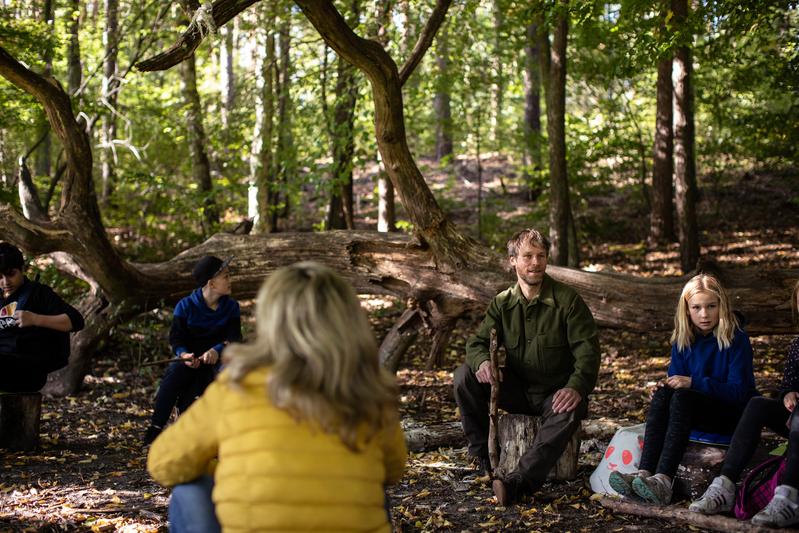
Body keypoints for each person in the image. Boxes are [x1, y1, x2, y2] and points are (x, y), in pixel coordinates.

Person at [147, 262, 407, 532]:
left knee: (190, 488)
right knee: (372, 486)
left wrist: (233, 472)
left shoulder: (237, 386)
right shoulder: (371, 390)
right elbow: (392, 470)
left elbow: (163, 463)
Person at [453, 228, 601, 505]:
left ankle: (519, 482)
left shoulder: (567, 301)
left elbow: (588, 353)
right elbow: (477, 343)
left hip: (555, 394)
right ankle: (481, 459)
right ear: (513, 261)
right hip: (517, 391)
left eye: (541, 256)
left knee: (570, 409)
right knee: (464, 376)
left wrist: (576, 387)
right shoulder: (502, 303)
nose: (535, 263)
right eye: (528, 256)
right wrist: (483, 362)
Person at [609, 273, 757, 505]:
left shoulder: (736, 338)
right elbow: (676, 384)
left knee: (683, 398)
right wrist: (665, 388)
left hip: (732, 414)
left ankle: (663, 481)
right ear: (687, 310)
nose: (704, 314)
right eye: (696, 307)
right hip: (692, 409)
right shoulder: (683, 340)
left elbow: (740, 393)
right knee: (663, 395)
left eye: (711, 306)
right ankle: (644, 473)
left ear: (722, 305)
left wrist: (693, 382)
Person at [689, 280, 799, 528]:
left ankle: (788, 498)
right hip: (795, 418)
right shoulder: (797, 346)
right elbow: (788, 385)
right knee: (757, 404)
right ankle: (724, 486)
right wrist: (788, 394)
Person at [143, 255, 242, 445]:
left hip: (219, 361)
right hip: (191, 361)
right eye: (226, 277)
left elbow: (235, 339)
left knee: (231, 376)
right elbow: (176, 339)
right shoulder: (185, 306)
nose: (230, 281)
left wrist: (218, 349)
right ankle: (155, 428)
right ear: (211, 284)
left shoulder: (231, 307)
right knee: (173, 375)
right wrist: (184, 355)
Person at [0, 242, 84, 392]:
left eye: (11, 274)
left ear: (22, 269)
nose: (5, 282)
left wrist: (35, 319)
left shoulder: (38, 294)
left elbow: (76, 321)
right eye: (0, 277)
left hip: (29, 370)